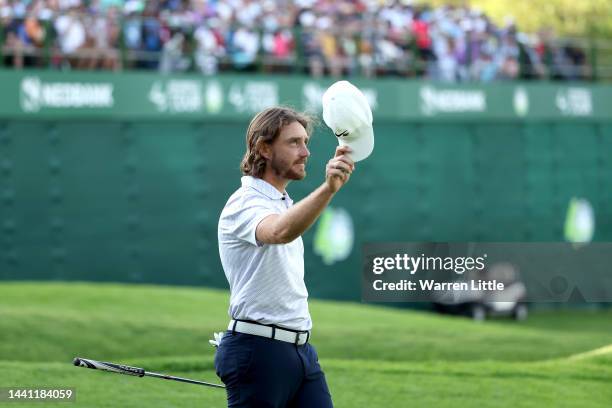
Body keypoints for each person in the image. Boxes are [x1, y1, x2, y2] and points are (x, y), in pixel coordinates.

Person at [216, 106, 355, 407]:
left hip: (301, 351)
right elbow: (278, 232)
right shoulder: (244, 203)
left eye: (305, 142)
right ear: (264, 148)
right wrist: (328, 189)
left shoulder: (281, 202)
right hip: (258, 351)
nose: (305, 152)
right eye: (294, 142)